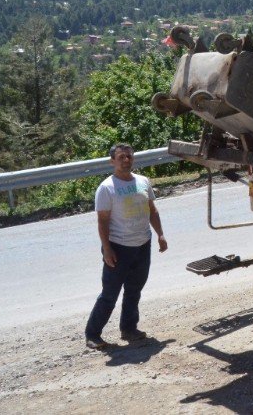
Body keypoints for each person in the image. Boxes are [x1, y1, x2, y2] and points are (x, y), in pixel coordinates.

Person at [84, 143, 167, 350]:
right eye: (121, 157)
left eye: (129, 156)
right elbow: (102, 221)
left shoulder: (143, 182)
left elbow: (152, 210)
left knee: (134, 290)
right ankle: (92, 334)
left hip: (142, 244)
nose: (126, 160)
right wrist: (107, 249)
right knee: (110, 294)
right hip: (118, 247)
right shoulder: (107, 187)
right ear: (113, 161)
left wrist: (160, 235)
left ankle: (129, 329)